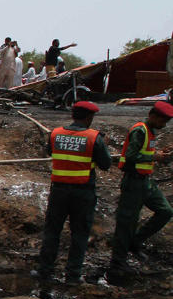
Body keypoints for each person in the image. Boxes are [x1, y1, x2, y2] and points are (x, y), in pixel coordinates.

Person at [30, 102, 112, 285]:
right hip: (82, 192)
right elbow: (106, 164)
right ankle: (73, 275)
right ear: (89, 117)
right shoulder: (94, 138)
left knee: (52, 231)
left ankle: (44, 271)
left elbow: (50, 152)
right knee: (80, 233)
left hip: (58, 190)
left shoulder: (55, 133)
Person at [108, 101, 173, 280]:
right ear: (153, 116)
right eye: (162, 121)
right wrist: (155, 156)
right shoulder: (140, 130)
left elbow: (143, 153)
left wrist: (160, 152)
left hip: (145, 181)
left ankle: (135, 242)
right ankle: (117, 262)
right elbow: (130, 156)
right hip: (133, 182)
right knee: (127, 222)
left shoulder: (149, 132)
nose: (163, 125)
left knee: (165, 211)